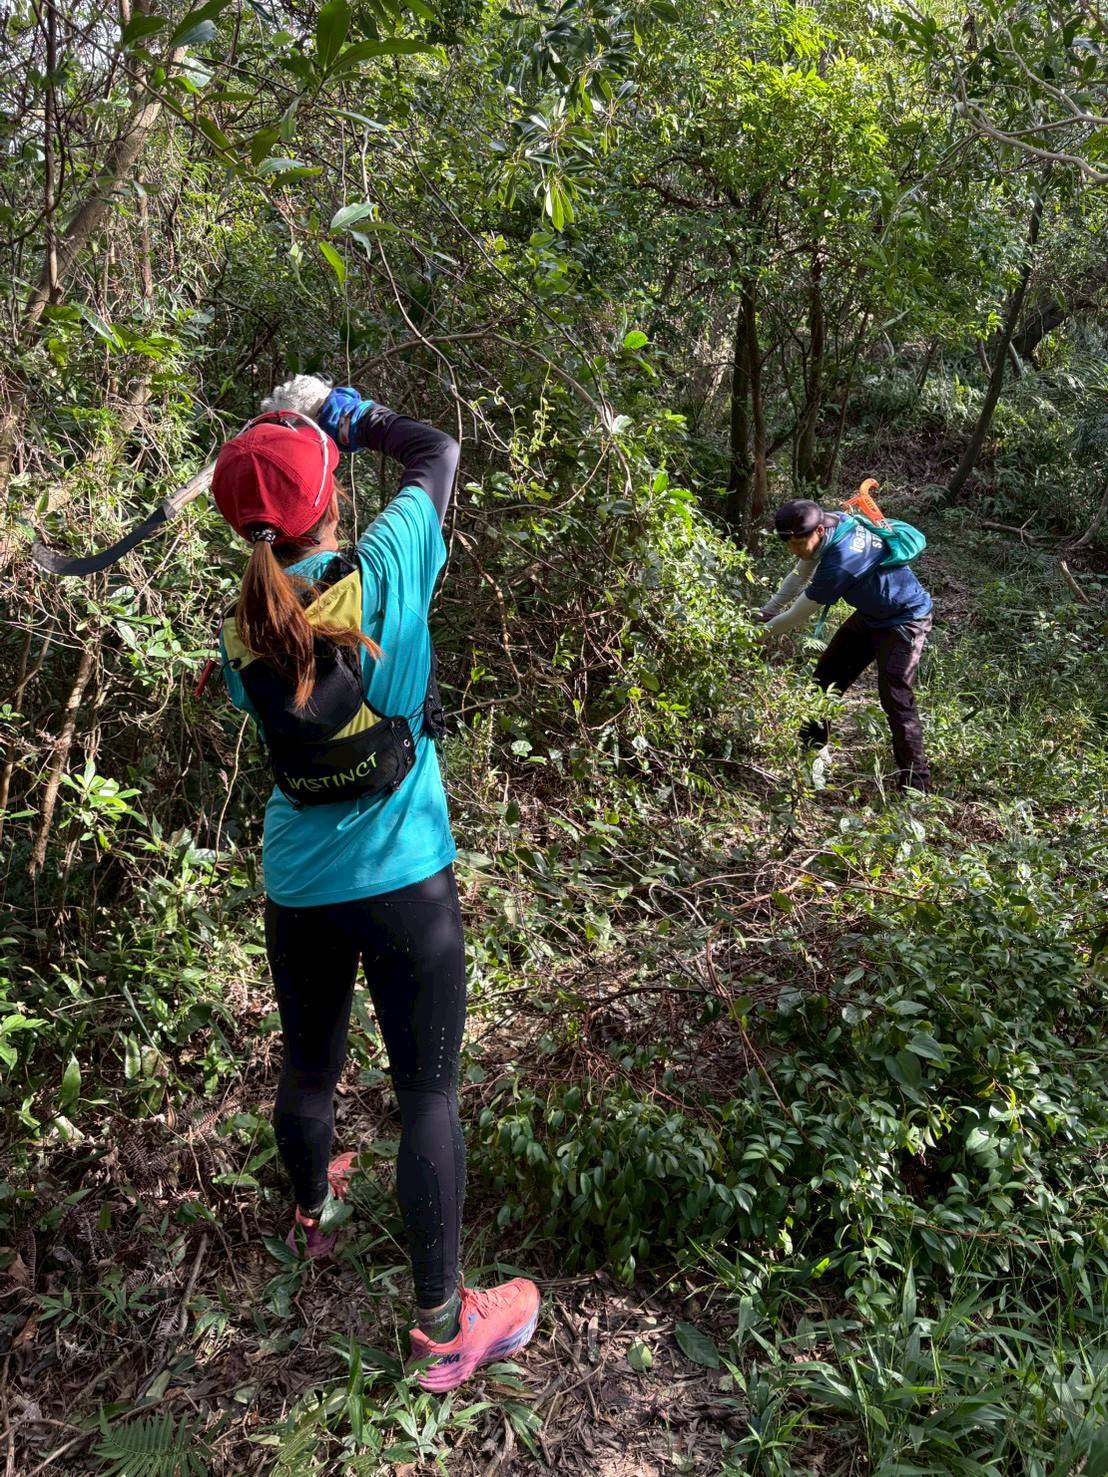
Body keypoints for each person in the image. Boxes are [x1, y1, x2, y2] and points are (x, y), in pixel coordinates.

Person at [211, 375, 540, 1392]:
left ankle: (313, 1211)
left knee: (308, 1071)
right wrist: (343, 413)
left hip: (300, 881)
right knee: (426, 1093)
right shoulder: (388, 561)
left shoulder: (239, 632)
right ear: (329, 497)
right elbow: (435, 452)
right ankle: (445, 1326)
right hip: (405, 880)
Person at [758, 497, 932, 793]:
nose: (795, 550)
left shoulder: (841, 562)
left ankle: (917, 788)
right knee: (824, 680)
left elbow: (797, 615)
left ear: (819, 533)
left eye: (799, 544)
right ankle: (814, 757)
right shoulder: (833, 521)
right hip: (870, 614)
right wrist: (767, 610)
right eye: (790, 545)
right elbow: (800, 572)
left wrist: (754, 635)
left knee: (896, 698)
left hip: (905, 619)